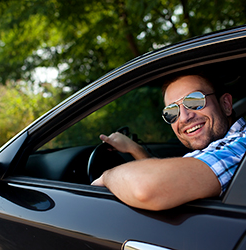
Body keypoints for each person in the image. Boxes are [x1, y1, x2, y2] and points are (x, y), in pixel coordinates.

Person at [91, 75, 246, 211]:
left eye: (194, 101)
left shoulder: (240, 144)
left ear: (225, 104)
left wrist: (106, 177)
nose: (184, 117)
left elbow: (147, 188)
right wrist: (134, 149)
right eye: (172, 112)